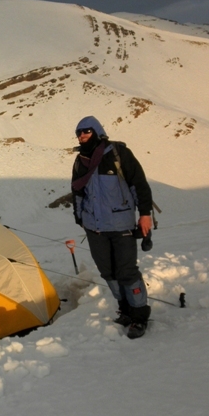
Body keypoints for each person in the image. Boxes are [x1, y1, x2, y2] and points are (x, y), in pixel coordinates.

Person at [71, 116, 154, 339]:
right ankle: (125, 309)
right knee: (108, 271)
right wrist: (81, 219)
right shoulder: (81, 161)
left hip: (121, 226)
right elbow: (78, 193)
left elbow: (139, 184)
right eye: (79, 133)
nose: (82, 136)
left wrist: (145, 215)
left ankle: (139, 315)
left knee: (126, 271)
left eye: (86, 131)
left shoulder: (118, 154)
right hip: (95, 229)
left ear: (98, 131)